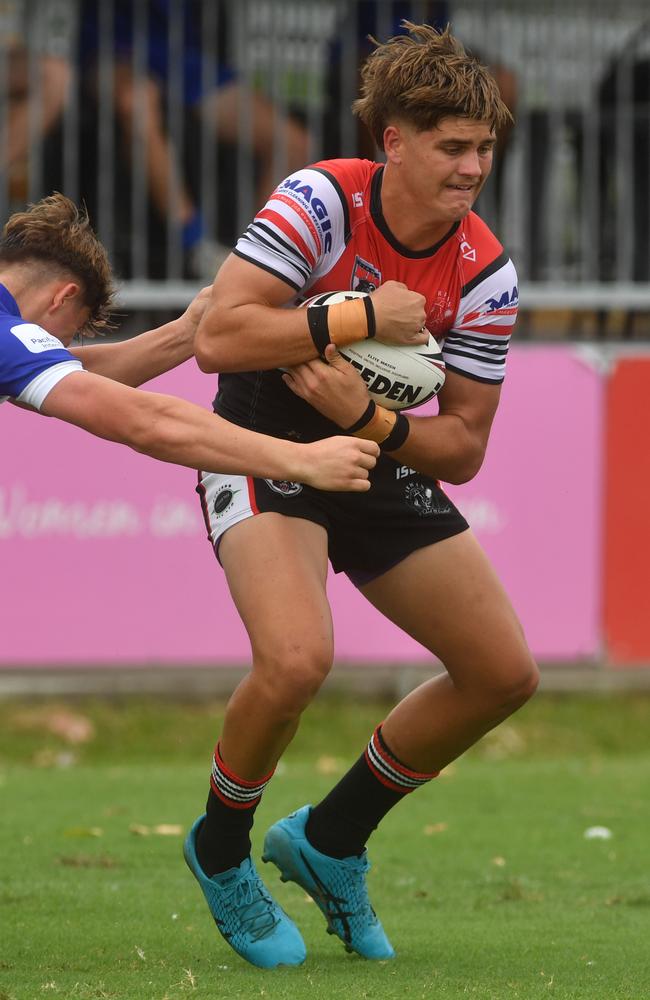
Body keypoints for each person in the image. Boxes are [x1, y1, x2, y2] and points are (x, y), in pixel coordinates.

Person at [185, 22, 538, 970]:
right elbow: (219, 338)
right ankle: (220, 850)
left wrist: (372, 422)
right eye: (452, 146)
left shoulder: (487, 272)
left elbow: (461, 448)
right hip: (260, 438)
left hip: (373, 453)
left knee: (503, 671)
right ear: (395, 141)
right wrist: (352, 318)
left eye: (484, 148)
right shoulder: (319, 201)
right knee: (298, 661)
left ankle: (330, 841)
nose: (472, 168)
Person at [0, 192, 378, 492]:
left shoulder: (11, 344)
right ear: (63, 297)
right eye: (69, 335)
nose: (61, 345)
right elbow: (145, 421)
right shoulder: (9, 334)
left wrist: (186, 331)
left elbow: (84, 375)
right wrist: (302, 461)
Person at [79, 0, 310, 278]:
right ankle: (198, 248)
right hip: (114, 52)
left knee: (293, 143)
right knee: (136, 103)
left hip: (185, 60)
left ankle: (255, 260)